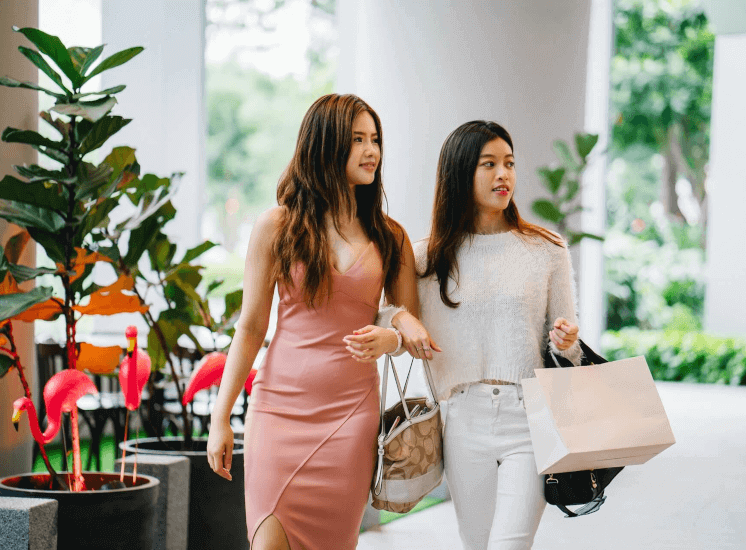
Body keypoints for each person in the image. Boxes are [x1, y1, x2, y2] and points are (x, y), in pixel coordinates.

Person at [206, 93, 437, 550]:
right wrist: (220, 417)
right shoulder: (277, 226)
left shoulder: (390, 236)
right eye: (357, 140)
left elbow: (411, 327)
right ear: (325, 144)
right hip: (278, 411)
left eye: (375, 140)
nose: (371, 151)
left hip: (350, 417)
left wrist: (389, 338)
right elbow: (250, 329)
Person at [351, 120, 581, 549]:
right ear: (459, 173)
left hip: (527, 418)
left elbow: (566, 352)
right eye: (489, 164)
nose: (504, 175)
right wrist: (397, 326)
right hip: (460, 420)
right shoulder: (424, 256)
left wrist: (566, 342)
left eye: (509, 164)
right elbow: (390, 315)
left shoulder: (547, 249)